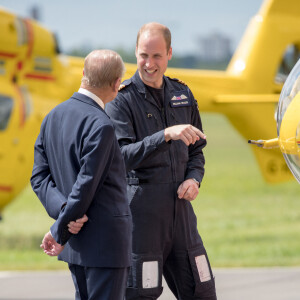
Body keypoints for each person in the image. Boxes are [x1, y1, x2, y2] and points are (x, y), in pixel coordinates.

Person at [105, 23, 217, 299]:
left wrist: (194, 178)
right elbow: (121, 158)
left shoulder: (182, 95)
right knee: (140, 294)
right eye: (144, 55)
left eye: (156, 56)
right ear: (135, 53)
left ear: (169, 54)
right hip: (142, 217)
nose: (149, 63)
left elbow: (197, 151)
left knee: (203, 292)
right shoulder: (121, 100)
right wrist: (165, 135)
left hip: (181, 217)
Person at [31, 49, 132, 300]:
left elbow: (39, 178)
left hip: (76, 246)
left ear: (84, 74)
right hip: (105, 246)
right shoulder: (102, 126)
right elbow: (85, 186)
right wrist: (60, 228)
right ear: (117, 84)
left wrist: (62, 216)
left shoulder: (52, 117)